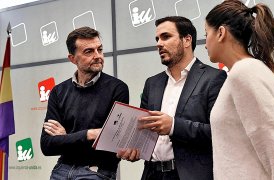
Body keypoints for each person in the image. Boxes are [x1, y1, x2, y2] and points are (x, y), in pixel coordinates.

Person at [118, 16, 227, 180]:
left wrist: (174, 126)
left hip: (188, 175)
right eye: (157, 38)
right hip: (152, 174)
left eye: (166, 37)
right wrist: (135, 149)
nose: (159, 43)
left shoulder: (214, 78)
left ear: (187, 40)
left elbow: (219, 133)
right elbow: (144, 134)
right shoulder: (152, 83)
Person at [205, 0, 274, 179]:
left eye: (206, 33)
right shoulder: (242, 72)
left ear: (220, 33)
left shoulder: (245, 72)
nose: (205, 43)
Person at [40, 26, 129, 180]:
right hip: (62, 168)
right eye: (89, 52)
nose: (98, 56)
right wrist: (90, 134)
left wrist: (66, 137)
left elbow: (112, 142)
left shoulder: (118, 88)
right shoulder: (58, 91)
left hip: (97, 170)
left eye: (99, 50)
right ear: (72, 58)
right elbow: (47, 145)